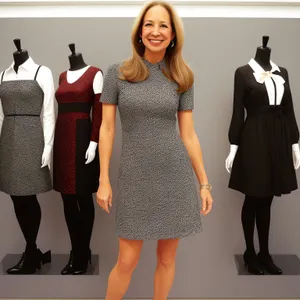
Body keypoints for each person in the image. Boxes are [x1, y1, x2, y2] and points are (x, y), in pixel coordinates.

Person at [96, 1, 213, 298]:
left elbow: (189, 135)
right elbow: (107, 129)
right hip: (135, 177)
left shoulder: (182, 76)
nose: (156, 31)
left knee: (166, 259)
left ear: (173, 34)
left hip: (173, 176)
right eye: (149, 24)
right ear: (139, 31)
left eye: (163, 26)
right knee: (127, 260)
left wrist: (203, 183)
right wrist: (104, 179)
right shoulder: (117, 73)